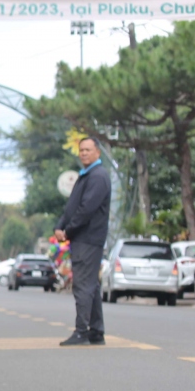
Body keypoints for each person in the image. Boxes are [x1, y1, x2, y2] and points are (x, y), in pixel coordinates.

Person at [55, 137, 110, 346]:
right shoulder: (86, 175)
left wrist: (67, 231)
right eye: (81, 150)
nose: (84, 153)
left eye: (88, 150)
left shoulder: (98, 176)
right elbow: (72, 206)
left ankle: (81, 331)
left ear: (98, 153)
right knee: (91, 286)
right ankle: (96, 331)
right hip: (81, 238)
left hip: (88, 239)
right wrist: (59, 227)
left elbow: (86, 209)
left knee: (83, 286)